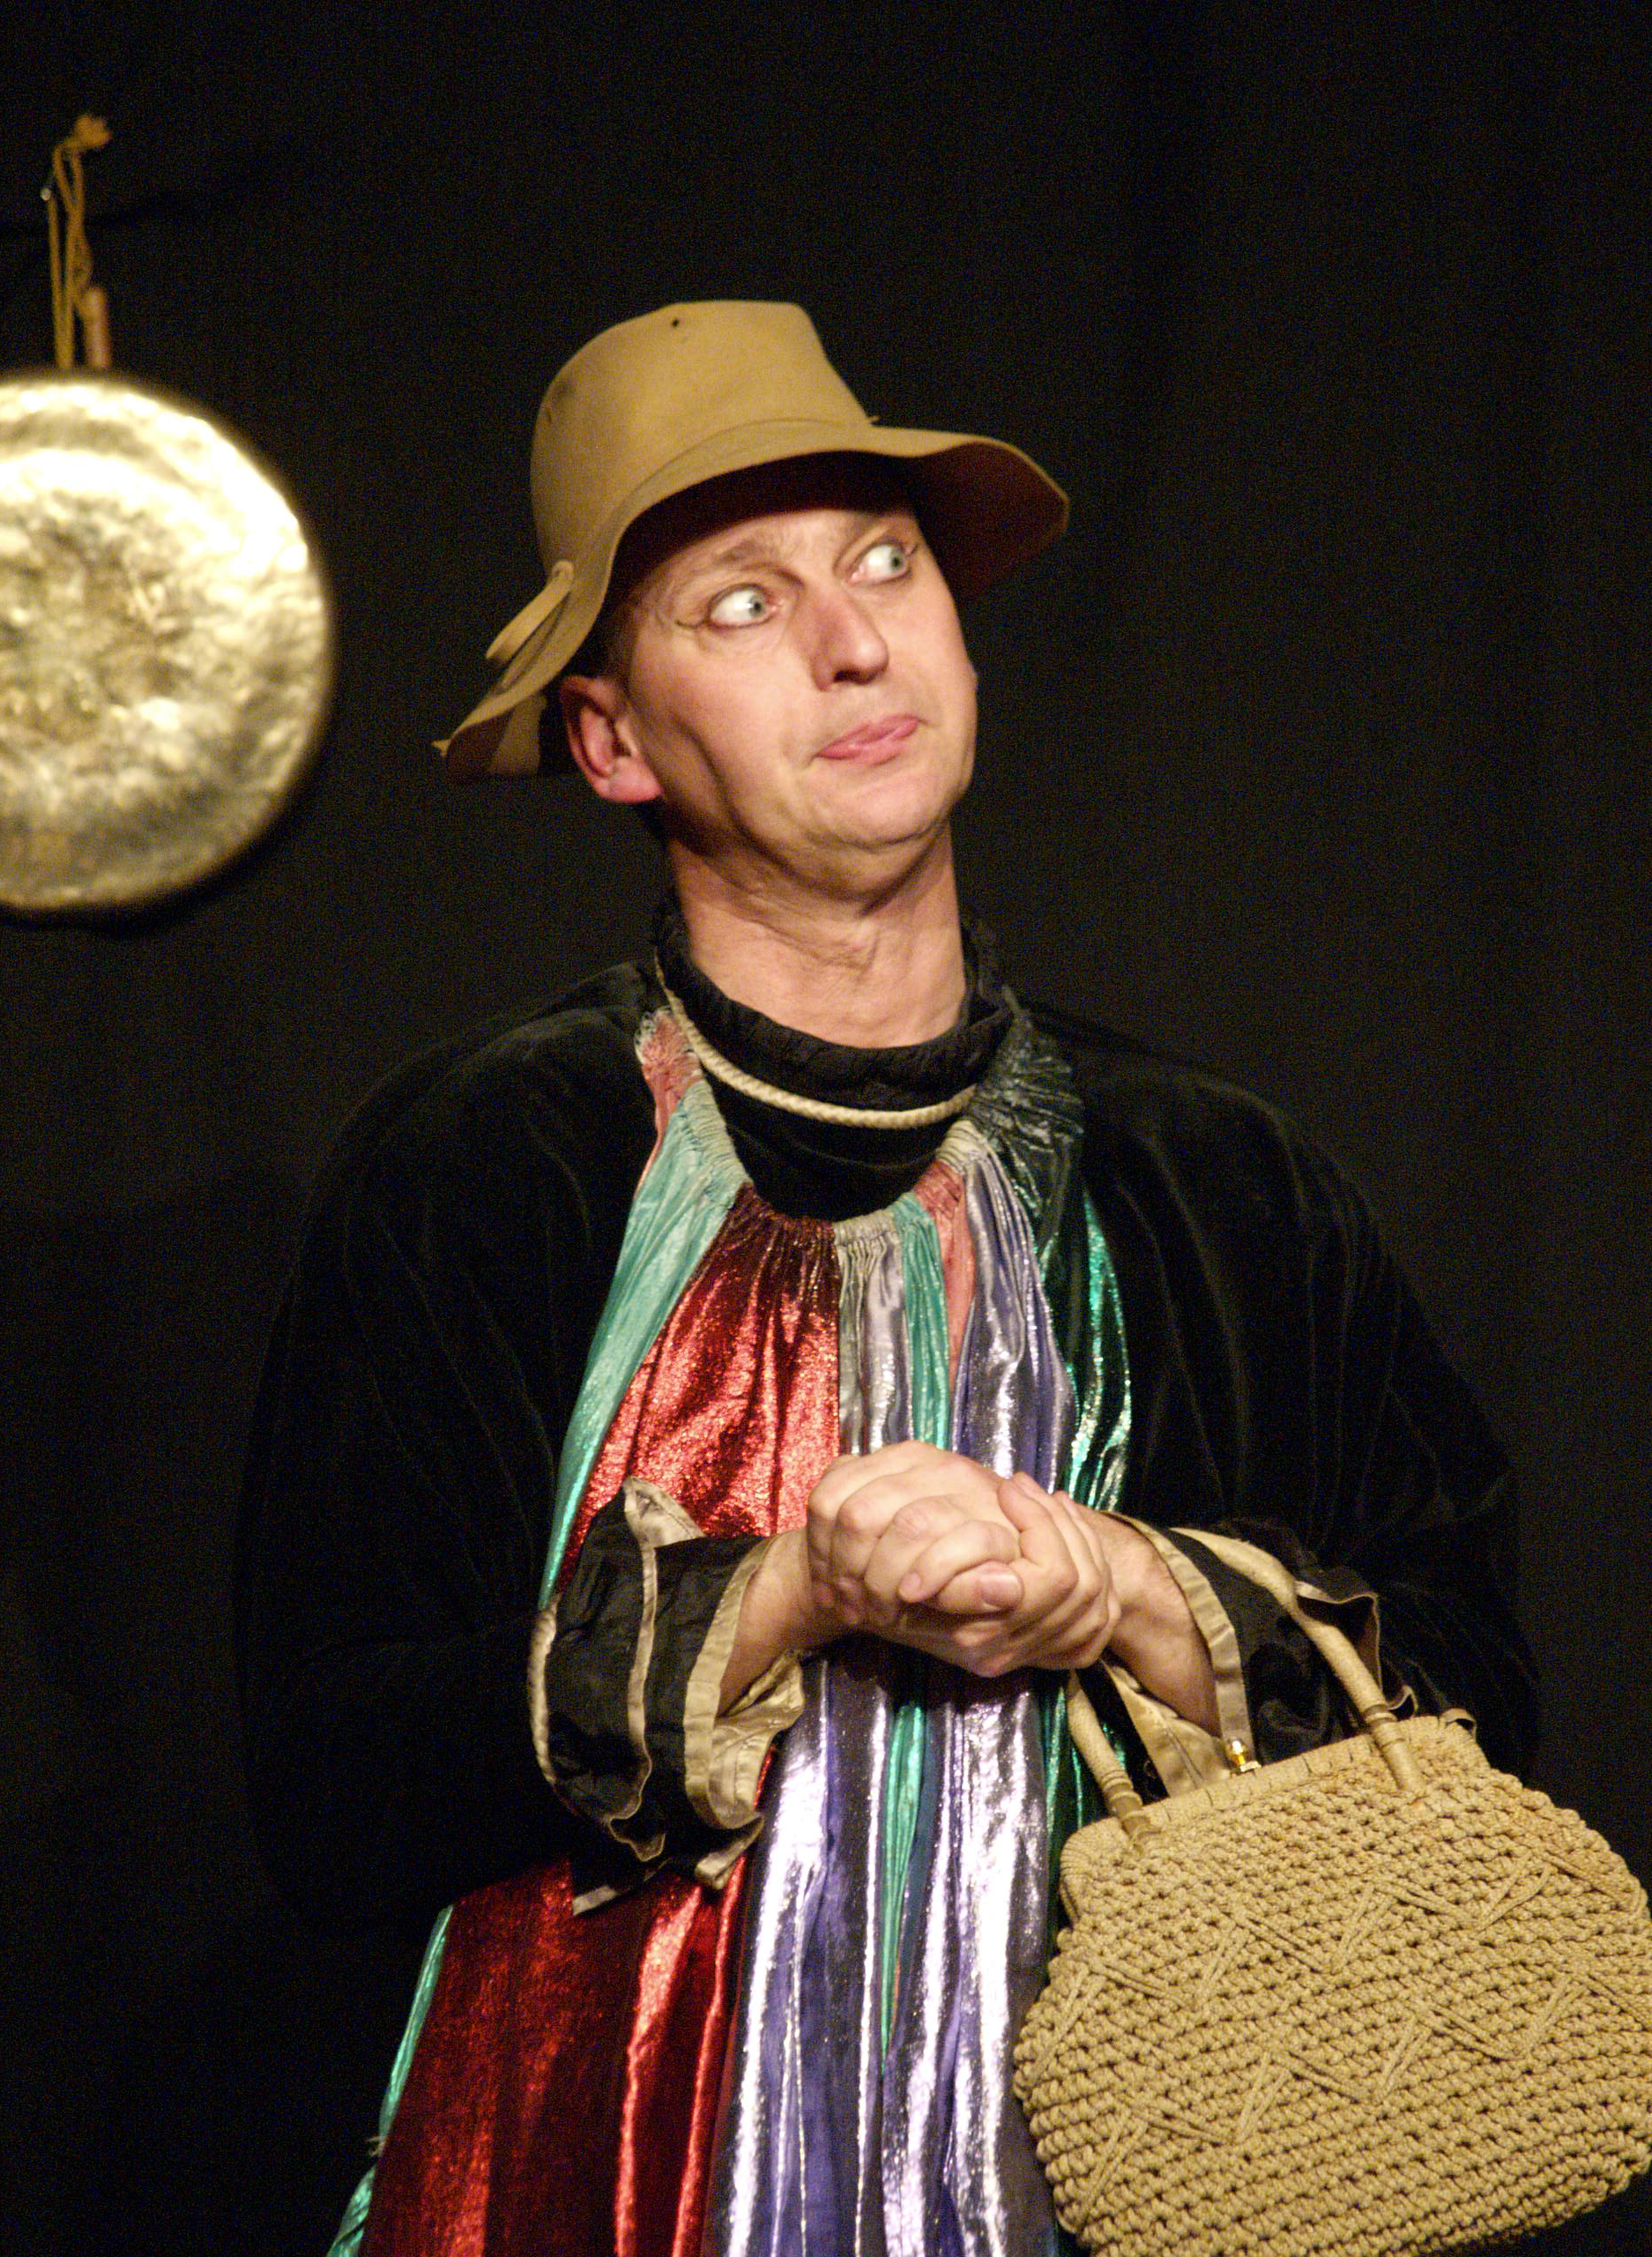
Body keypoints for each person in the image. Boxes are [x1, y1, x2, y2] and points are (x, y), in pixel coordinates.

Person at [236, 301, 1536, 2257]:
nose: (853, 642)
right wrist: (786, 1595)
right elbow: (331, 1787)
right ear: (609, 738)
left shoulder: (1219, 1181)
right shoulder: (489, 1166)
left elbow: (1476, 1708)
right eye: (742, 605)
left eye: (886, 564)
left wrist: (1126, 1587)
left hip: (1135, 2188)